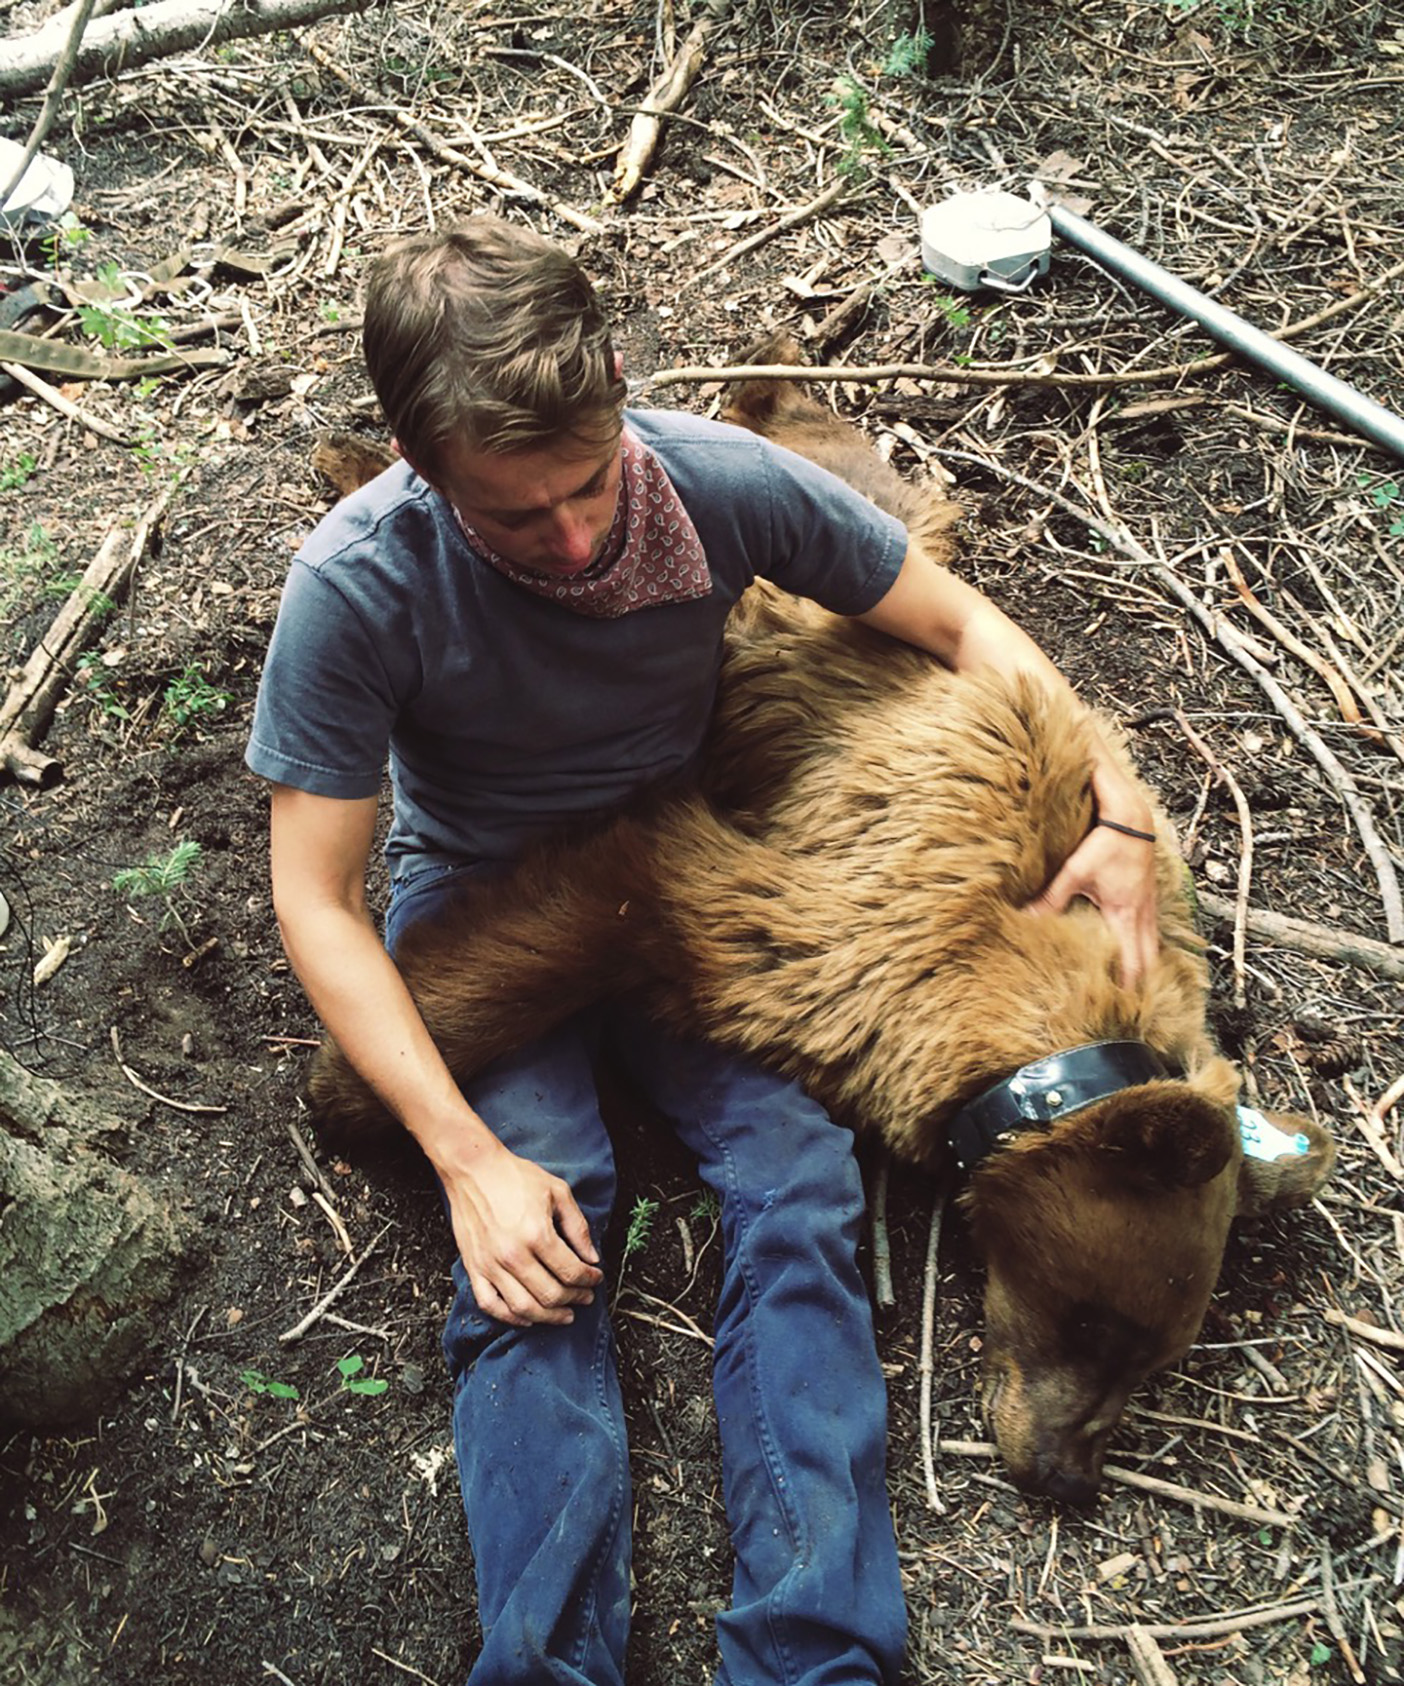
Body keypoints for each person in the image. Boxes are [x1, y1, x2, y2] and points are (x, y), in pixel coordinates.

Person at [246, 215, 1159, 1686]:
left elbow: (961, 621)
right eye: (517, 512)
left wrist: (1115, 801)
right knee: (543, 1236)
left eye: (591, 482)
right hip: (486, 881)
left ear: (617, 384)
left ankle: (815, 1650)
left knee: (800, 1190)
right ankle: (547, 1662)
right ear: (421, 463)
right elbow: (317, 898)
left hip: (687, 859)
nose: (575, 537)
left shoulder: (718, 481)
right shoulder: (358, 583)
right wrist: (467, 1157)